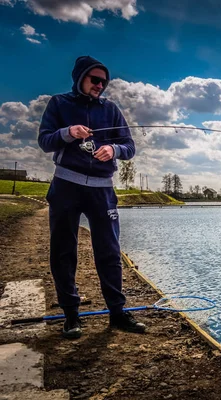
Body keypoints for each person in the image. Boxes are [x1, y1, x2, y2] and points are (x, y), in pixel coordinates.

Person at [38, 55, 146, 339]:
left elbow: (129, 146)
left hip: (102, 189)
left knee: (109, 251)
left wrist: (114, 150)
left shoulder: (110, 109)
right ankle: (71, 316)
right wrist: (68, 132)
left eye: (103, 81)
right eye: (94, 79)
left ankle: (118, 313)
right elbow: (45, 141)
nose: (100, 85)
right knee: (63, 251)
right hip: (66, 186)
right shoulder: (59, 104)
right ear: (80, 78)